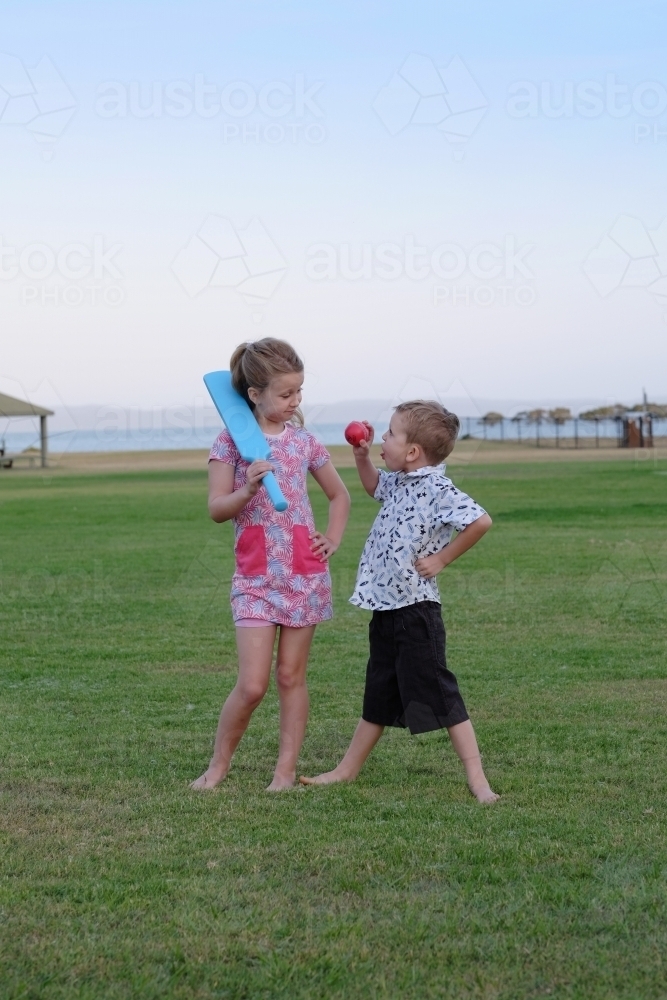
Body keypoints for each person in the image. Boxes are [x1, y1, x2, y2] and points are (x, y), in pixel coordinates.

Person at [300, 400, 499, 803]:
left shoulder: (439, 489)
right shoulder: (400, 481)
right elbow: (373, 485)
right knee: (378, 691)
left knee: (440, 693)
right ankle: (346, 770)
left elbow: (481, 521)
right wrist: (360, 456)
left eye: (390, 434)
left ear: (412, 452)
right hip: (386, 608)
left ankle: (478, 779)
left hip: (417, 612)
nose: (382, 439)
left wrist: (441, 558)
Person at [191, 338, 350, 791]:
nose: (295, 402)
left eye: (298, 392)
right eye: (285, 394)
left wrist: (332, 538)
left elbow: (339, 495)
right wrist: (247, 490)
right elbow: (218, 508)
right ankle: (218, 765)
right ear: (254, 394)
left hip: (304, 574)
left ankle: (284, 771)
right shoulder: (229, 443)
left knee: (290, 676)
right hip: (256, 578)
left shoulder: (304, 442)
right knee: (253, 684)